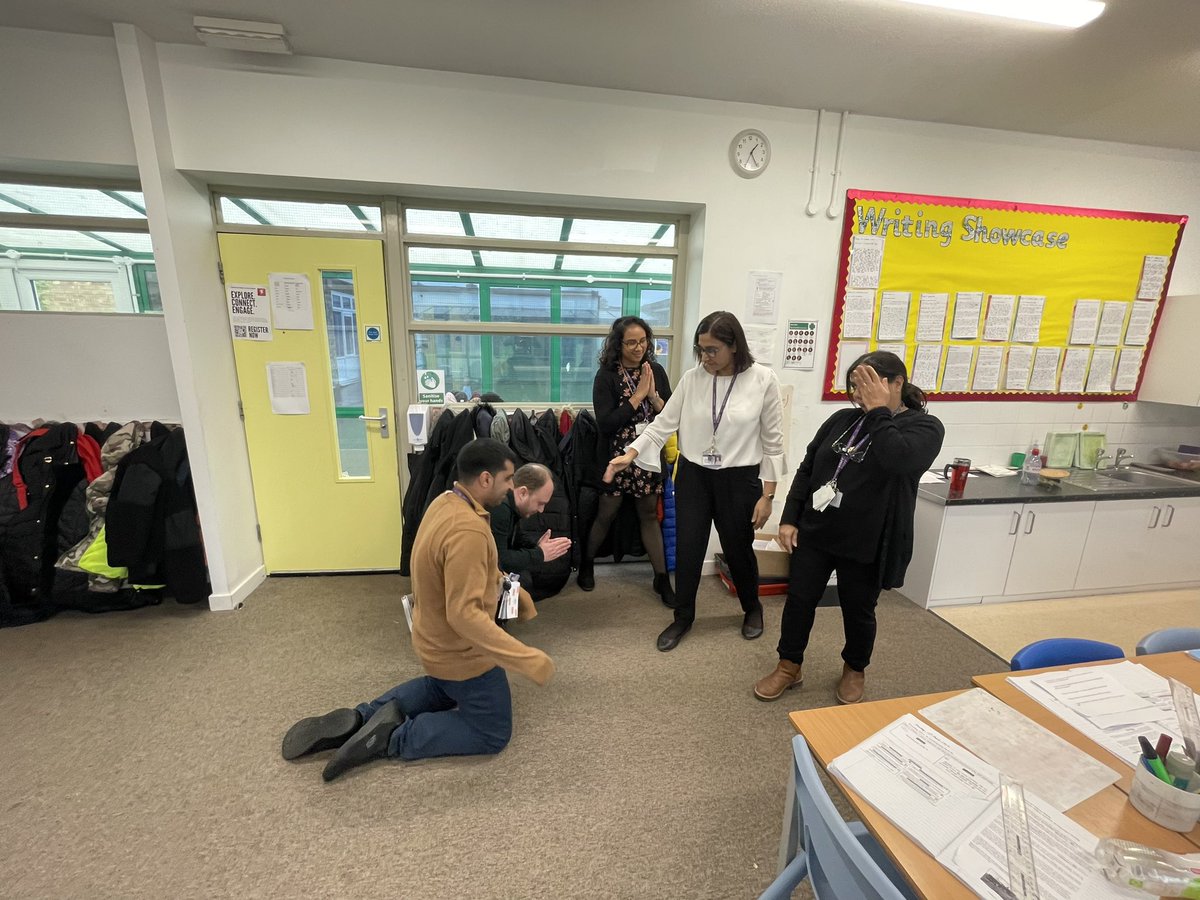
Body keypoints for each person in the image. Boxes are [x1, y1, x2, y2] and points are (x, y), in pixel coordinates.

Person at [281, 438, 555, 781]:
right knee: (492, 732)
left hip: (432, 640)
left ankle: (364, 716)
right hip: (461, 651)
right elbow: (464, 614)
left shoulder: (447, 502)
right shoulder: (469, 529)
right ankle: (391, 739)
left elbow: (469, 570)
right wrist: (525, 657)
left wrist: (520, 598)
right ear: (485, 479)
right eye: (507, 479)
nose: (511, 487)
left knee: (442, 687)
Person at [753, 351, 943, 705]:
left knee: (858, 608)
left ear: (897, 383)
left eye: (868, 384)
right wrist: (790, 516)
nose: (858, 393)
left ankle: (855, 668)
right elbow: (809, 468)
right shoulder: (842, 419)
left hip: (869, 539)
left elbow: (896, 459)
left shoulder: (924, 427)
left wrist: (878, 412)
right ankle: (789, 664)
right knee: (799, 600)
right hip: (818, 529)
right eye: (854, 385)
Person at [607, 310, 785, 652]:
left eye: (713, 349)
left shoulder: (763, 380)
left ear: (735, 347)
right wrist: (631, 453)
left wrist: (768, 495)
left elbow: (774, 442)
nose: (705, 357)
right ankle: (683, 617)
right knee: (688, 549)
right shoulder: (693, 378)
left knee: (737, 549)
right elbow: (663, 424)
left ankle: (752, 608)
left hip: (739, 478)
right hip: (694, 476)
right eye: (701, 349)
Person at [580, 316, 675, 604]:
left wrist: (655, 398)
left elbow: (670, 415)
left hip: (648, 454)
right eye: (631, 342)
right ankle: (586, 563)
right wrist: (637, 397)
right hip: (616, 456)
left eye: (643, 341)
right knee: (607, 512)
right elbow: (606, 423)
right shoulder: (606, 375)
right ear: (617, 344)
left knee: (648, 515)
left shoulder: (655, 369)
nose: (638, 347)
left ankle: (661, 579)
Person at [489, 462, 573, 602]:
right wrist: (539, 554)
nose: (541, 510)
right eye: (540, 503)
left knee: (525, 578)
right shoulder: (501, 509)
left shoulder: (508, 504)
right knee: (523, 581)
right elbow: (500, 560)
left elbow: (514, 538)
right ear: (522, 492)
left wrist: (536, 546)